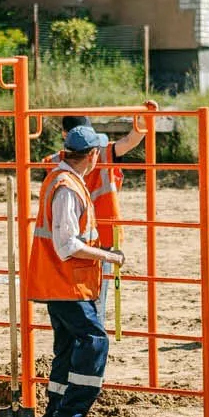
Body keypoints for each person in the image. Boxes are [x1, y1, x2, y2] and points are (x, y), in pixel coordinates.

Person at [29, 125, 127, 417]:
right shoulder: (67, 187)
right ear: (93, 155)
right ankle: (70, 416)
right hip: (66, 284)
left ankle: (54, 416)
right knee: (94, 341)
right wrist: (108, 256)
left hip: (63, 283)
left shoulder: (65, 180)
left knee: (68, 348)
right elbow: (67, 245)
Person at [53, 102, 156, 311]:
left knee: (77, 300)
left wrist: (143, 121)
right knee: (93, 301)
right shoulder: (104, 152)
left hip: (76, 238)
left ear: (64, 134)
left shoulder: (55, 162)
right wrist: (144, 121)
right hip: (100, 236)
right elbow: (130, 141)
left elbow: (130, 141)